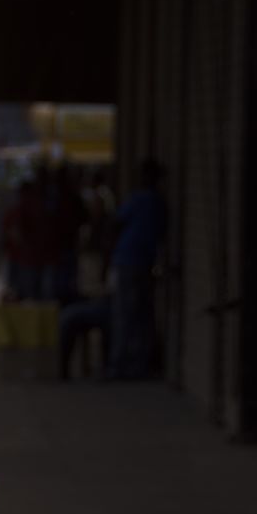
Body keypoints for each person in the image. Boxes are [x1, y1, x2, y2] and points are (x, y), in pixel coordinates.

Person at [106, 159, 166, 380]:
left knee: (125, 315)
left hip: (129, 262)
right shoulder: (158, 203)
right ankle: (138, 363)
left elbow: (116, 223)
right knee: (141, 315)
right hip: (143, 263)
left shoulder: (139, 200)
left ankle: (120, 366)